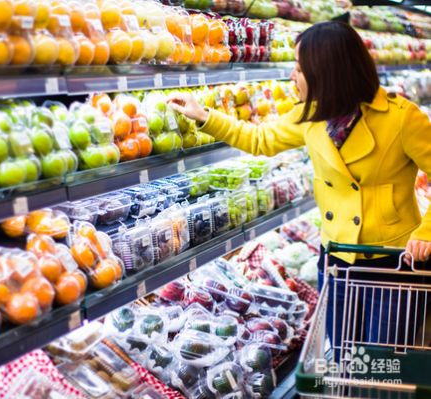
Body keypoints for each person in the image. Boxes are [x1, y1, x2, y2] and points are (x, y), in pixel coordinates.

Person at [168, 21, 431, 354]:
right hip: (336, 257)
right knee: (344, 355)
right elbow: (259, 139)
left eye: (299, 69)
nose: (292, 76)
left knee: (383, 360)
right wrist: (204, 116)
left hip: (392, 262)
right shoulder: (310, 116)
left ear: (327, 72)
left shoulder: (401, 119)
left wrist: (427, 231)